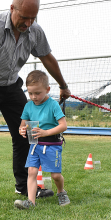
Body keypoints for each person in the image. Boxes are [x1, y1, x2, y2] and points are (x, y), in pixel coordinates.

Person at [0, 0, 71, 206]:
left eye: (33, 18)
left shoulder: (35, 31)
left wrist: (63, 85)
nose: (28, 23)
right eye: (24, 17)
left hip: (11, 85)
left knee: (27, 133)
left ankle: (24, 186)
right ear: (12, 8)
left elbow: (48, 59)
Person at [15, 70, 69, 209]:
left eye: (37, 93)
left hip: (52, 145)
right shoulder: (28, 106)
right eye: (30, 93)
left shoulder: (53, 105)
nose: (34, 97)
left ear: (47, 89)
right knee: (32, 172)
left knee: (56, 176)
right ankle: (30, 202)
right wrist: (21, 130)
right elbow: (23, 125)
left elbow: (63, 126)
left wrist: (45, 132)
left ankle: (61, 191)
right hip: (34, 145)